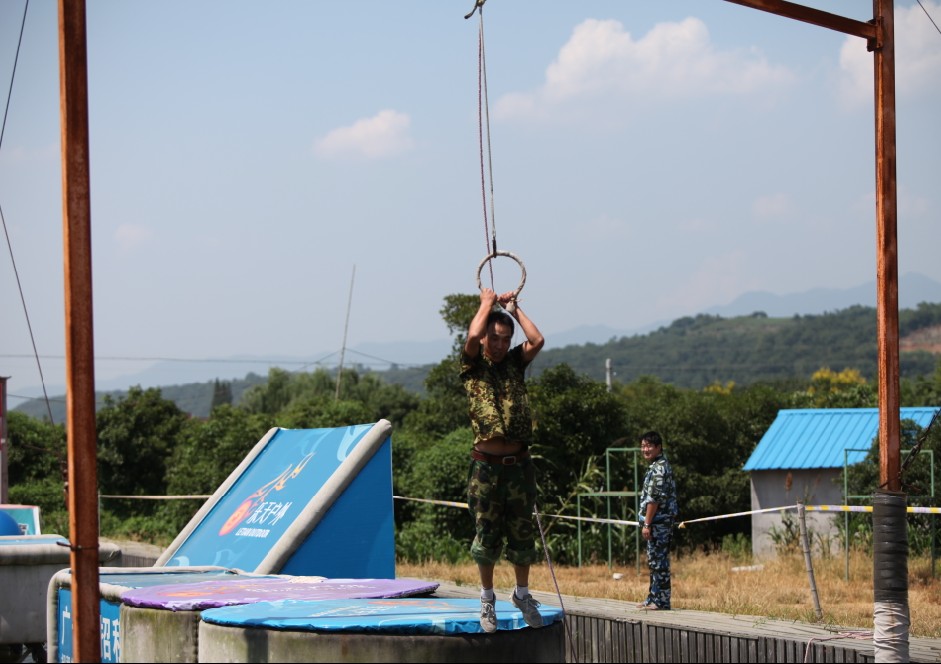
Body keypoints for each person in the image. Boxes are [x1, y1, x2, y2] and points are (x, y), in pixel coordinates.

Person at [460, 287, 546, 633]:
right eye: (493, 338)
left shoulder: (514, 363)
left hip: (519, 466)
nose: (498, 345)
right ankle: (487, 598)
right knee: (487, 537)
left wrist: (513, 309)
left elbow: (537, 340)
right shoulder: (472, 366)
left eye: (504, 339)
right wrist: (486, 304)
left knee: (523, 534)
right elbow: (471, 337)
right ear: (485, 339)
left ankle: (522, 594)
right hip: (486, 467)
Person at [636, 430, 678, 611]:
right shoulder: (656, 465)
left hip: (658, 524)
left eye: (649, 446)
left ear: (659, 447)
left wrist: (647, 523)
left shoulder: (659, 468)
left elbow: (654, 499)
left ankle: (661, 601)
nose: (645, 449)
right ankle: (653, 598)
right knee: (654, 562)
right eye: (643, 446)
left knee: (659, 563)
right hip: (656, 523)